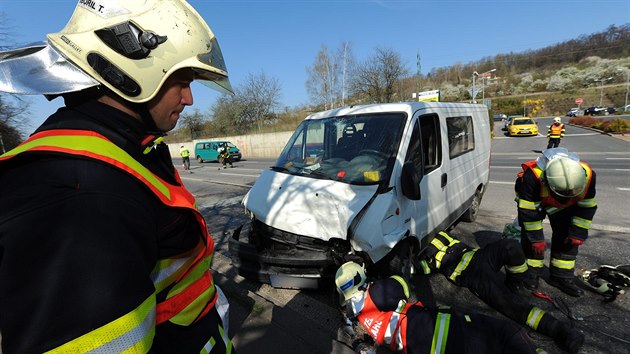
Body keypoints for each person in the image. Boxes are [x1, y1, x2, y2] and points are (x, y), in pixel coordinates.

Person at [0, 1, 235, 353]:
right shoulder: (81, 194)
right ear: (132, 72)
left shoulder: (123, 152)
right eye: (182, 81)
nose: (189, 98)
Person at [417, 231, 584, 354]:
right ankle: (562, 331)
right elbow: (421, 270)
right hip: (473, 276)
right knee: (511, 304)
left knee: (510, 246)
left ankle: (516, 282)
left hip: (479, 256)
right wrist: (410, 264)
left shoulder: (435, 228)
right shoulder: (421, 255)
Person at [335, 262, 541, 354]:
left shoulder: (362, 316)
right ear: (360, 278)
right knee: (506, 333)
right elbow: (401, 285)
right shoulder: (376, 293)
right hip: (442, 332)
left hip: (425, 347)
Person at [515, 148, 597, 298]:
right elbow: (528, 212)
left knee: (566, 236)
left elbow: (587, 206)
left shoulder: (588, 175)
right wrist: (536, 239)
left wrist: (578, 233)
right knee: (531, 238)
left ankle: (561, 277)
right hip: (534, 202)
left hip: (562, 205)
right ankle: (531, 274)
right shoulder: (532, 177)